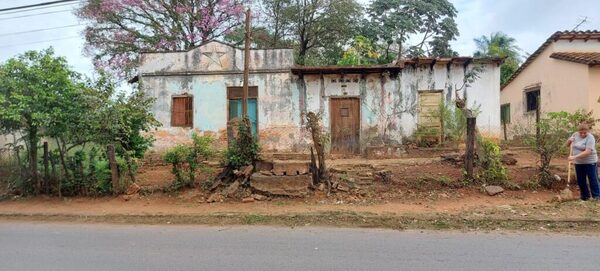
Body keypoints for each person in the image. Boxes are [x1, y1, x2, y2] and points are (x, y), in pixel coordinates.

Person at [567, 123, 600, 200]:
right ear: (578, 131)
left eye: (584, 133)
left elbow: (588, 151)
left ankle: (596, 196)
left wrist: (574, 157)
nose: (582, 134)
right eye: (581, 133)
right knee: (581, 179)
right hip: (579, 162)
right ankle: (585, 196)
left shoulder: (590, 138)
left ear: (588, 131)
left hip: (590, 162)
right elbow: (568, 145)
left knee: (593, 178)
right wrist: (569, 140)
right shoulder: (575, 134)